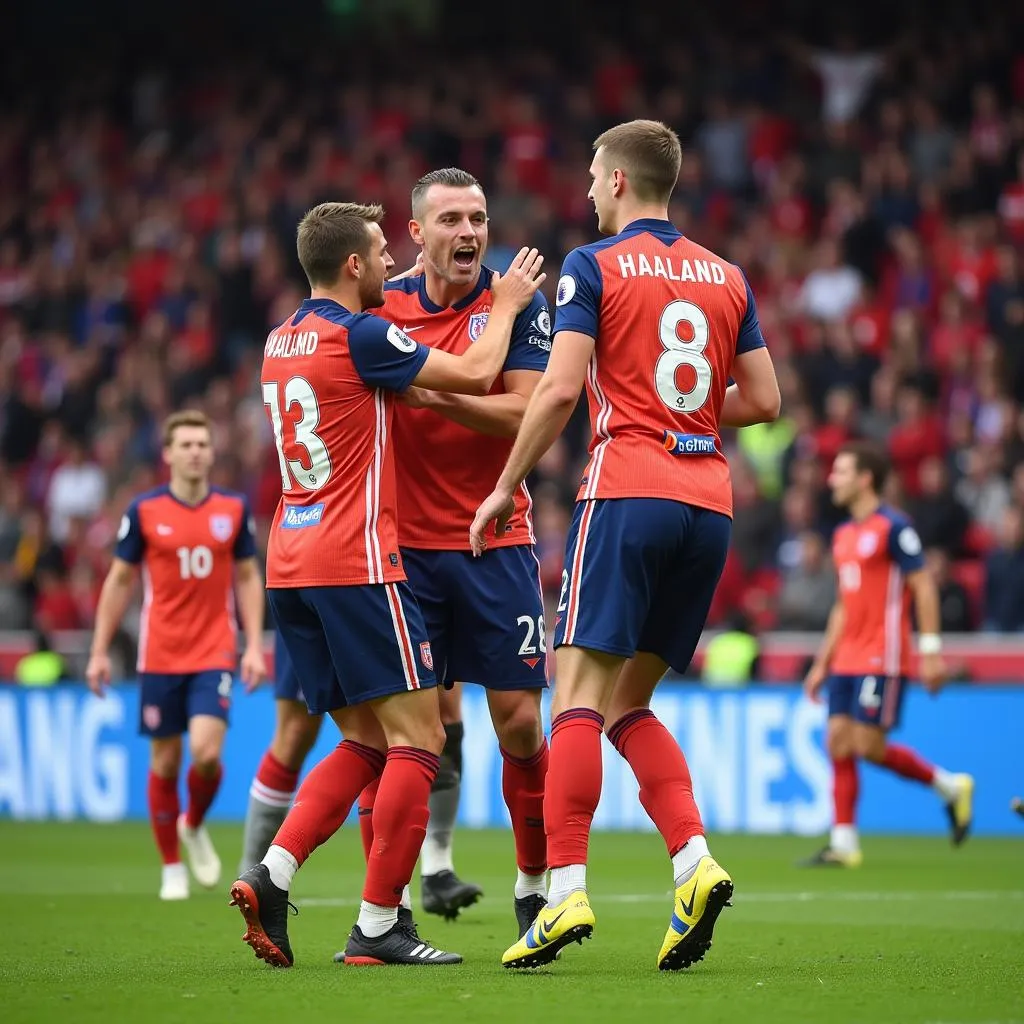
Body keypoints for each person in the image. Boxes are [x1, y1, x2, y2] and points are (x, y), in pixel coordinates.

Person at [471, 119, 782, 971]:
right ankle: (692, 861)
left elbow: (563, 387)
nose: (584, 192)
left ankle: (564, 891)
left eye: (589, 178)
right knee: (626, 706)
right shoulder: (726, 274)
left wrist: (505, 484)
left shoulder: (591, 266)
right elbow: (764, 399)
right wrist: (681, 415)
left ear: (613, 182)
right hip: (706, 503)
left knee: (573, 692)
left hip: (627, 490)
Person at [230, 201, 545, 968]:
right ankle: (379, 924)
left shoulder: (281, 338)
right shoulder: (363, 332)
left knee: (365, 741)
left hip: (291, 562)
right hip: (358, 561)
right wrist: (505, 306)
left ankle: (271, 870)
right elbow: (474, 373)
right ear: (354, 266)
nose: (389, 266)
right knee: (422, 739)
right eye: (378, 252)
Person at [86, 410, 266, 901]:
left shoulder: (232, 508)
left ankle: (192, 822)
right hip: (160, 655)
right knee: (165, 763)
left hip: (214, 652)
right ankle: (171, 866)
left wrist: (252, 646)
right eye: (184, 444)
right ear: (167, 454)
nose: (194, 452)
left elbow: (248, 576)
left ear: (211, 452)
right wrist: (99, 651)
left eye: (201, 444)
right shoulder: (143, 512)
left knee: (206, 755)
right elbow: (120, 580)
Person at [801, 441, 975, 867]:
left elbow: (924, 585)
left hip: (883, 655)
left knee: (868, 745)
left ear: (865, 479)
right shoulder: (842, 536)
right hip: (847, 657)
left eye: (840, 472)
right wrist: (822, 663)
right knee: (838, 741)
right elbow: (844, 604)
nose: (831, 480)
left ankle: (950, 787)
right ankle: (843, 843)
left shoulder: (895, 528)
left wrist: (930, 652)